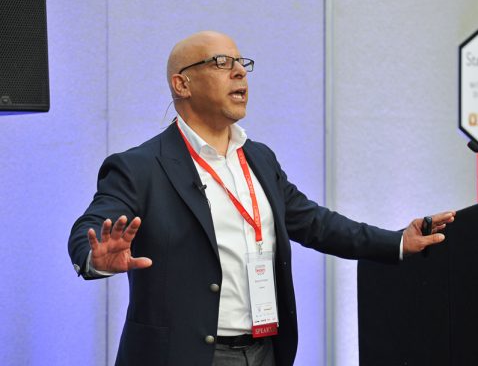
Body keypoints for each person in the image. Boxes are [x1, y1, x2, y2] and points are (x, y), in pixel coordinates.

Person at [68, 31, 455, 366]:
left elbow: (315, 223)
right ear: (182, 84)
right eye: (222, 62)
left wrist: (397, 241)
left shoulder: (259, 158)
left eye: (242, 63)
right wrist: (95, 258)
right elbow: (90, 227)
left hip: (264, 351)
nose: (239, 72)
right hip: (183, 355)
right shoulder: (140, 166)